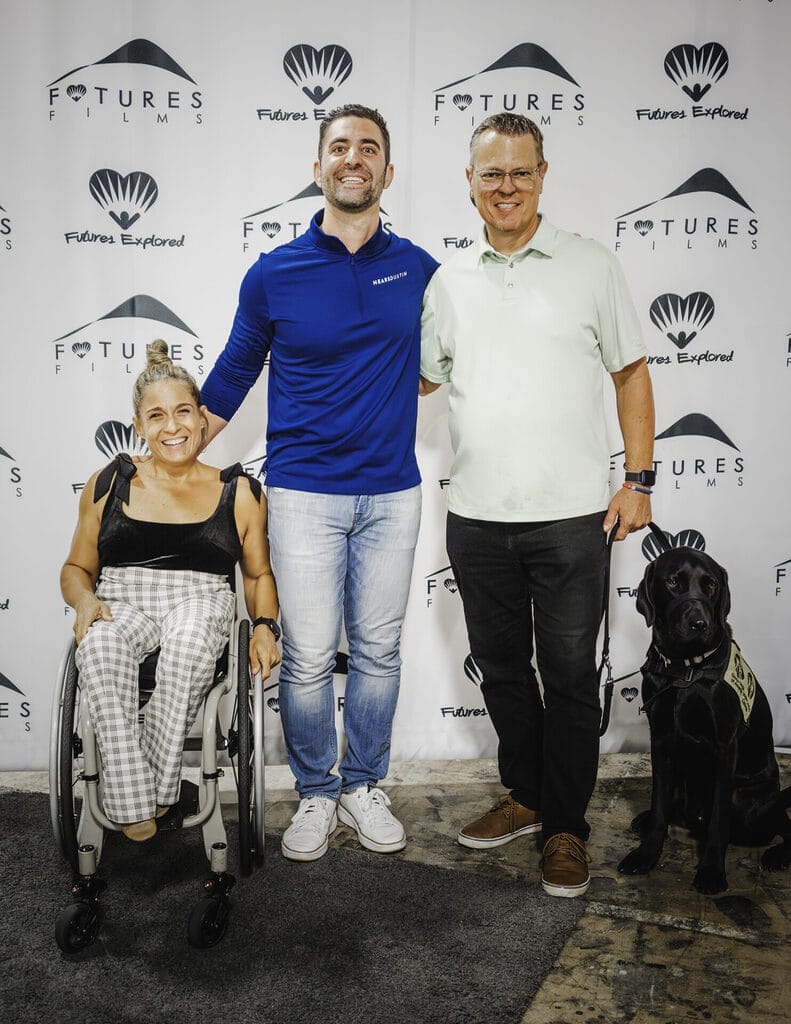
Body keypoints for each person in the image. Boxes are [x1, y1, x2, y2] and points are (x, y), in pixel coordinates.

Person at [419, 113, 655, 897]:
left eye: (519, 171)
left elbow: (630, 374)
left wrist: (640, 480)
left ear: (543, 176)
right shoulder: (445, 282)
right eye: (491, 173)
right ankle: (524, 794)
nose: (506, 187)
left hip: (571, 518)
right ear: (470, 182)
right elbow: (419, 378)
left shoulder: (591, 265)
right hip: (478, 517)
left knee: (568, 678)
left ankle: (565, 827)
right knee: (503, 675)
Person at [200, 104, 439, 862]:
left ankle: (364, 784)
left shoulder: (422, 270)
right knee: (305, 658)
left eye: (368, 149)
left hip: (392, 494)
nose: (353, 159)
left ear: (387, 173)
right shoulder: (273, 274)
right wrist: (169, 457)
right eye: (339, 147)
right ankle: (314, 792)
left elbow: (448, 366)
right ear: (318, 168)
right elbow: (234, 375)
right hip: (301, 494)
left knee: (377, 651)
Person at [61, 340, 281, 842]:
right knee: (96, 643)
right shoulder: (107, 483)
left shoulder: (239, 491)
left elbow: (257, 575)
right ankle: (146, 796)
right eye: (155, 416)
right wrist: (85, 600)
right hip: (123, 599)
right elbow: (76, 567)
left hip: (199, 601)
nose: (173, 427)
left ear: (203, 419)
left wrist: (265, 626)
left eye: (183, 411)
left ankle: (143, 797)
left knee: (185, 645)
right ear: (139, 426)